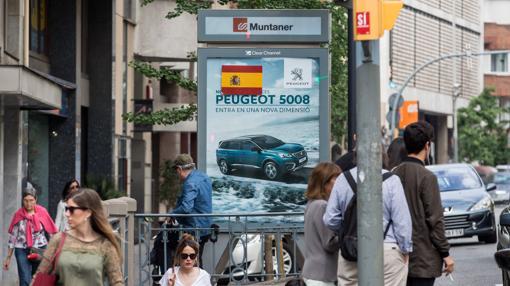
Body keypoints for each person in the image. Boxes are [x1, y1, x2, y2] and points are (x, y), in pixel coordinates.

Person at [324, 152, 413, 286]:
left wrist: (347, 228)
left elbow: (330, 219)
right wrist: (405, 249)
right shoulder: (392, 180)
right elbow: (402, 223)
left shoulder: (343, 179)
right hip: (386, 251)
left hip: (351, 251)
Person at [392, 121, 454, 286]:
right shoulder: (427, 177)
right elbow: (435, 220)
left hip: (396, 257)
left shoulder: (393, 174)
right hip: (422, 259)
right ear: (427, 145)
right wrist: (446, 254)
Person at [34, 188, 124, 285]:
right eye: (66, 209)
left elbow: (117, 282)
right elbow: (40, 275)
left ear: (88, 212)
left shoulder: (105, 244)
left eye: (72, 209)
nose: (66, 214)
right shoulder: (58, 239)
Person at [3, 187, 58, 286]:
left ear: (36, 199)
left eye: (31, 200)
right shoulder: (18, 215)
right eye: (26, 200)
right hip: (22, 250)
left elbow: (51, 232)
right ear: (22, 200)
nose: (29, 204)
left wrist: (53, 252)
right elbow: (13, 238)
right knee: (25, 278)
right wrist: (8, 258)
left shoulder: (42, 212)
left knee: (39, 278)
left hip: (40, 248)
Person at [170, 154, 213, 267]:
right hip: (205, 227)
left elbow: (186, 208)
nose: (177, 174)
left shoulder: (189, 183)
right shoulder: (204, 177)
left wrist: (172, 214)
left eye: (177, 171)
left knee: (190, 260)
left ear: (179, 169)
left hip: (194, 228)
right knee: (196, 258)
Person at [303, 162, 341, 286]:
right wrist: (346, 236)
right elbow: (329, 243)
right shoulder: (322, 206)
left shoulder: (311, 204)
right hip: (322, 275)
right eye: (336, 179)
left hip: (313, 272)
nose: (340, 184)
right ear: (324, 183)